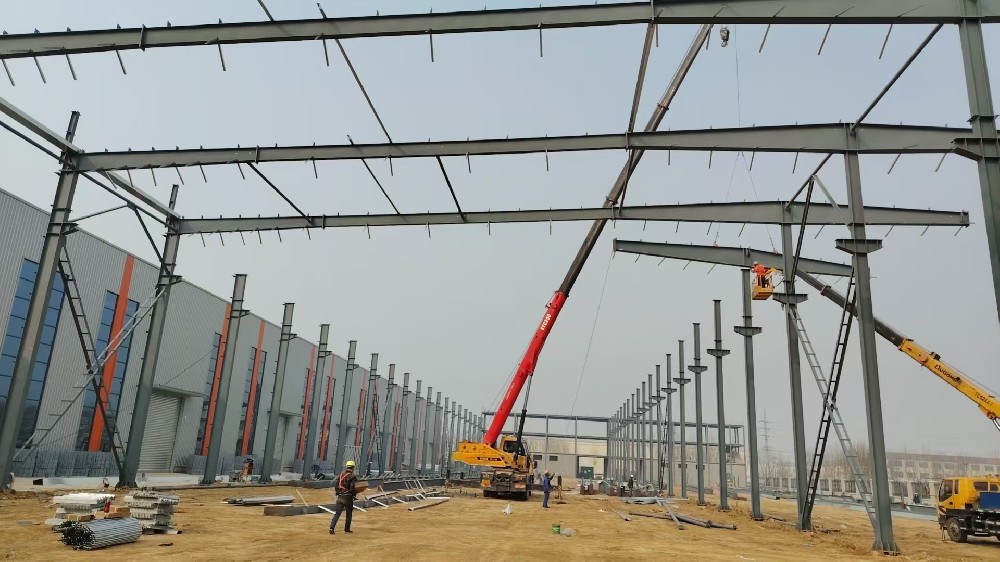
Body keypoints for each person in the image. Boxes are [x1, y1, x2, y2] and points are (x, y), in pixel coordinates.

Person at [329, 460, 358, 535]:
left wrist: (338, 493)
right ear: (353, 468)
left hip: (340, 497)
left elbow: (336, 486)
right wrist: (354, 495)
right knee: (349, 514)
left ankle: (331, 527)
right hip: (348, 497)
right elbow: (353, 488)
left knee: (337, 513)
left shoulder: (341, 475)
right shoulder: (352, 477)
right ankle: (347, 529)